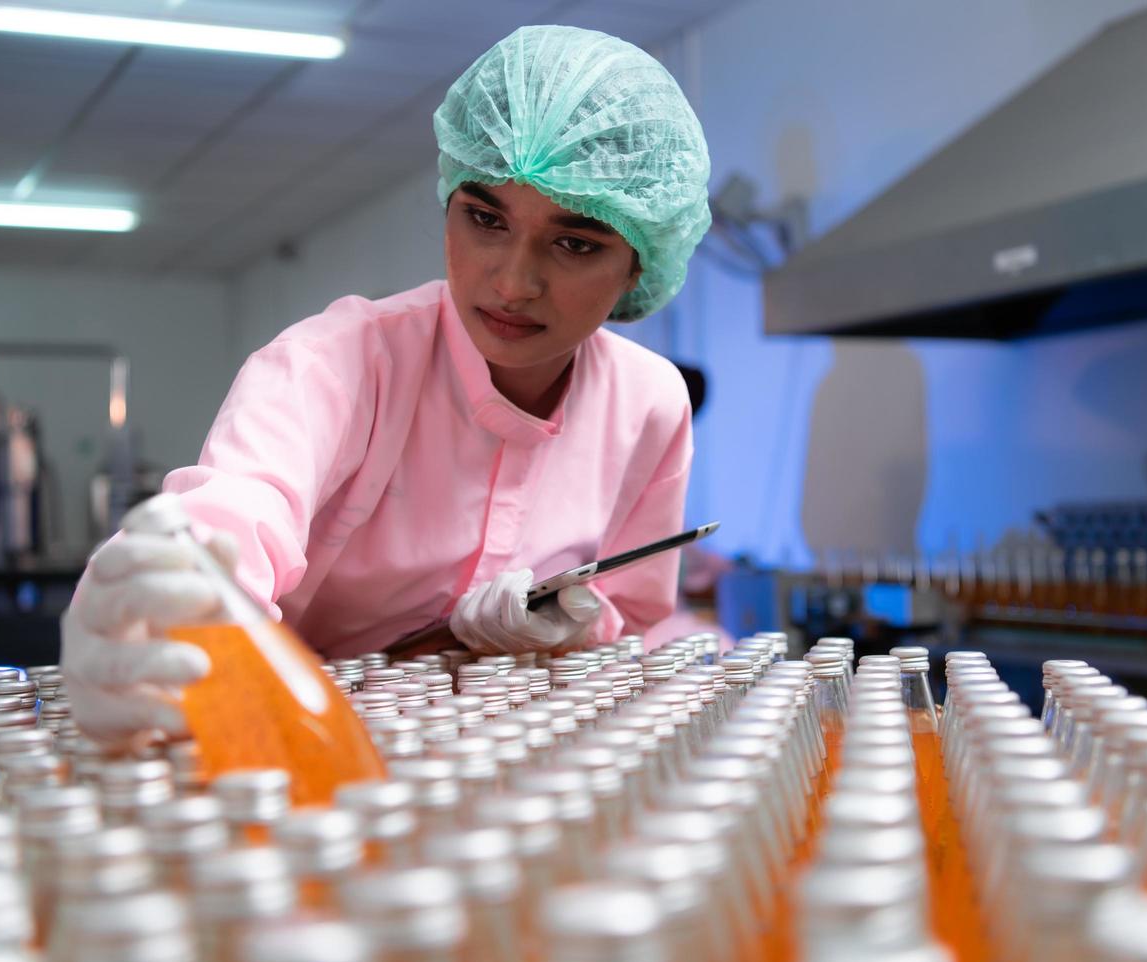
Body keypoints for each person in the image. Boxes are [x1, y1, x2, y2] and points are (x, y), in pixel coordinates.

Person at [61, 25, 713, 746]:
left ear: (638, 263)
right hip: (303, 753)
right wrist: (156, 614)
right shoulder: (333, 365)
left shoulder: (649, 405)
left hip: (517, 765)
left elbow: (633, 630)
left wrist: (558, 631)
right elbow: (231, 518)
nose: (512, 282)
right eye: (484, 219)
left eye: (574, 242)